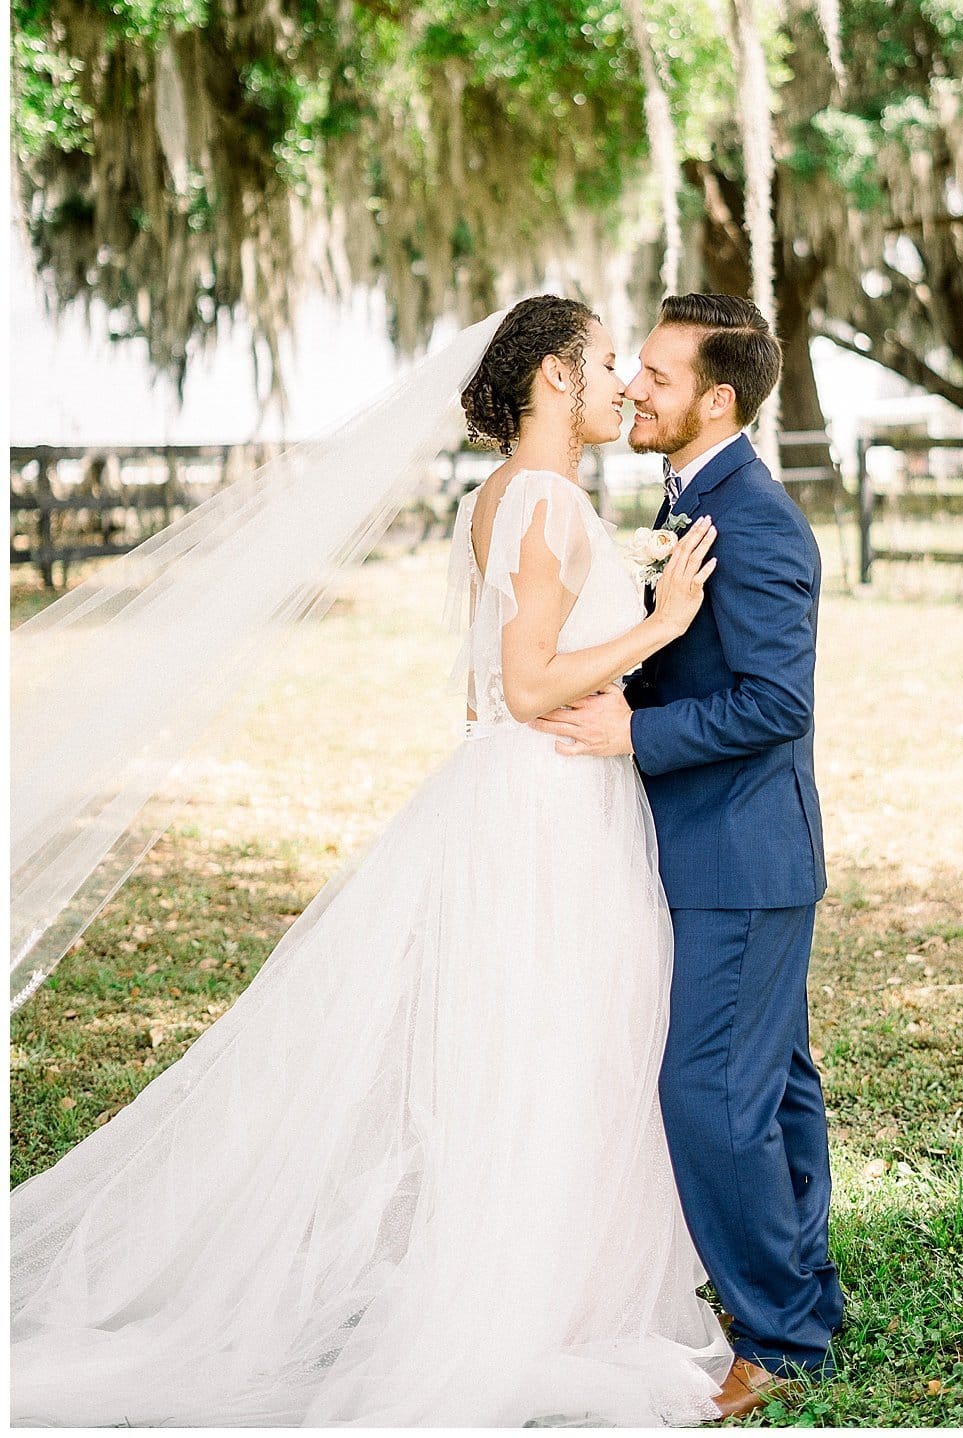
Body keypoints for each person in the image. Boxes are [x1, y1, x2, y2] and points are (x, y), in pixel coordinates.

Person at [10, 294, 733, 1428]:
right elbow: (533, 683)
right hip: (550, 811)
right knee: (556, 1039)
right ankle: (534, 1306)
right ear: (553, 376)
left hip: (526, 794)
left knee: (535, 1043)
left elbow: (479, 692)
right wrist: (662, 620)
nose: (621, 386)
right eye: (602, 364)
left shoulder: (500, 496)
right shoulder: (544, 500)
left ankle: (546, 1283)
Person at [533, 293, 844, 1419]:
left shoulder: (755, 520)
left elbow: (776, 701)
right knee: (773, 1081)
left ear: (717, 395)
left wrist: (634, 730)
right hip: (714, 848)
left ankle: (780, 1332)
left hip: (742, 854)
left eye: (654, 375)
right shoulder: (687, 498)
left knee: (710, 1090)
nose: (631, 389)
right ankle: (806, 1293)